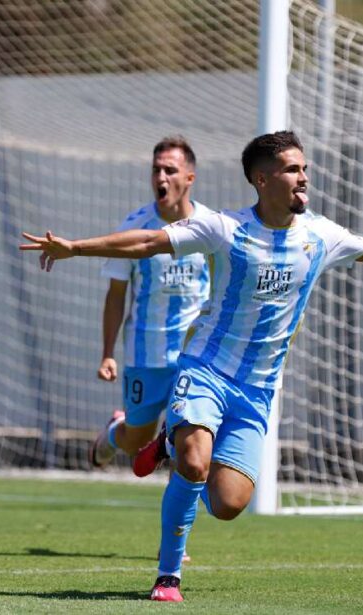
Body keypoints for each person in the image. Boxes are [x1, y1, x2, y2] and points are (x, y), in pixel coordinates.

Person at [20, 131, 363, 602]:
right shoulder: (225, 228)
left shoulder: (319, 235)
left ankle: (170, 445)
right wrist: (77, 247)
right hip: (206, 370)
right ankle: (168, 575)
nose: (304, 178)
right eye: (293, 169)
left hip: (257, 390)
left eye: (304, 169)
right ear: (262, 179)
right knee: (195, 465)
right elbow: (149, 242)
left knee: (230, 503)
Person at [88, 136, 211, 475]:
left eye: (170, 170)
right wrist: (108, 352)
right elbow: (116, 294)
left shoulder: (210, 228)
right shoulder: (134, 227)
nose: (161, 177)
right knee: (135, 441)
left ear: (189, 178)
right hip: (147, 356)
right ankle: (115, 432)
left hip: (195, 357)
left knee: (193, 443)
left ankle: (181, 517)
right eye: (156, 169)